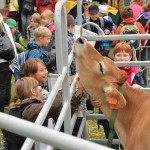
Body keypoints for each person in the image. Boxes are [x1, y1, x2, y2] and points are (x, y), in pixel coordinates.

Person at [0, 13, 17, 112]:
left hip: (4, 61)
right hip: (4, 61)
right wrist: (13, 60)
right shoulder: (4, 26)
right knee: (1, 87)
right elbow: (11, 44)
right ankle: (1, 112)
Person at [137, 1, 150, 85]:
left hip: (145, 43)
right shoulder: (145, 16)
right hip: (146, 44)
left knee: (143, 63)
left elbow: (136, 25)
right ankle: (144, 82)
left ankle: (144, 83)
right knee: (144, 63)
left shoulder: (144, 16)